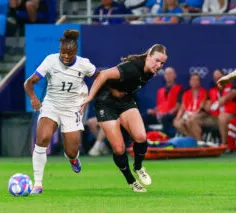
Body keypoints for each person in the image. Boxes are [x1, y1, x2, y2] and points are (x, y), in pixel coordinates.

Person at [81, 44, 168, 192]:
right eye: (157, 61)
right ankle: (131, 181)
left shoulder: (150, 71)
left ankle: (138, 167)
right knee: (119, 148)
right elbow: (103, 74)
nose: (159, 65)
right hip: (106, 103)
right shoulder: (131, 67)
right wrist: (90, 97)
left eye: (162, 63)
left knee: (141, 137)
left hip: (126, 101)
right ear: (148, 56)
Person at [24, 29, 96, 194]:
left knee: (71, 151)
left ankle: (73, 159)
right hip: (51, 106)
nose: (65, 56)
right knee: (42, 139)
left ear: (76, 52)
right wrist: (34, 98)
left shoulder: (84, 64)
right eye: (63, 52)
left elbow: (99, 77)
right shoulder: (50, 61)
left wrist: (89, 95)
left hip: (72, 109)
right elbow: (29, 83)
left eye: (69, 53)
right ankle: (38, 184)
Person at [144, 67, 183, 137]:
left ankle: (164, 140)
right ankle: (146, 138)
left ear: (175, 75)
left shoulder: (179, 88)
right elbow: (159, 106)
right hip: (160, 115)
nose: (168, 76)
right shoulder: (160, 90)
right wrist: (153, 110)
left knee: (165, 118)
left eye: (170, 73)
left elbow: (178, 106)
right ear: (164, 76)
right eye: (166, 74)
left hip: (171, 115)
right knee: (144, 117)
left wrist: (166, 113)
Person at [173, 73, 207, 138]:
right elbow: (182, 107)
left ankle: (199, 140)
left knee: (191, 120)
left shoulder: (204, 92)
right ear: (189, 81)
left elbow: (201, 107)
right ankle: (192, 138)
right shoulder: (186, 93)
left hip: (199, 114)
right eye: (192, 80)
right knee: (176, 123)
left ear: (199, 82)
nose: (194, 82)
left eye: (196, 80)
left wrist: (193, 114)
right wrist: (178, 117)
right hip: (187, 114)